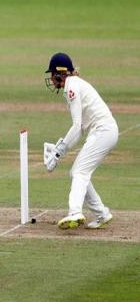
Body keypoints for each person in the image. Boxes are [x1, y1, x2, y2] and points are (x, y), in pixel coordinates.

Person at [44, 52, 118, 229]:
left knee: (80, 173)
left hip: (103, 131)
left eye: (52, 75)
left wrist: (58, 151)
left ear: (59, 74)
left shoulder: (71, 88)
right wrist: (60, 149)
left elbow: (76, 126)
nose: (51, 79)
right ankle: (101, 213)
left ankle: (75, 212)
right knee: (77, 171)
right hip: (102, 132)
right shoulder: (74, 85)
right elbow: (79, 130)